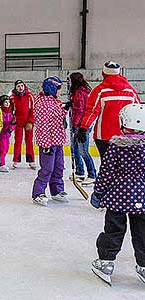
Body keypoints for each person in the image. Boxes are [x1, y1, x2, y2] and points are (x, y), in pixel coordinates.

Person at [89, 104, 145, 285]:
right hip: (142, 201)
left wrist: (98, 193)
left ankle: (106, 262)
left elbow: (106, 173)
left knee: (113, 231)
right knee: (142, 233)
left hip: (116, 200)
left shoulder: (116, 147)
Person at [76, 61, 141, 159]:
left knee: (107, 166)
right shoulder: (130, 91)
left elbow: (92, 111)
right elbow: (138, 110)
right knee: (124, 166)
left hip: (104, 136)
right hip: (126, 135)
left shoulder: (100, 91)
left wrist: (83, 128)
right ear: (119, 73)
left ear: (103, 73)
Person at [31, 77, 68, 206]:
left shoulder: (54, 102)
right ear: (51, 89)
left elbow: (57, 117)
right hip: (48, 143)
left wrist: (65, 109)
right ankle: (38, 193)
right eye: (58, 89)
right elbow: (42, 126)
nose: (60, 92)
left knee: (58, 167)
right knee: (47, 169)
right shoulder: (42, 104)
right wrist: (46, 145)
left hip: (58, 140)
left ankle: (56, 190)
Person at [68, 72, 96, 185]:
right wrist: (71, 103)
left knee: (83, 150)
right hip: (80, 124)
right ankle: (80, 172)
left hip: (81, 126)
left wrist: (77, 126)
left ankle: (92, 174)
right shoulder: (78, 91)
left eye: (70, 80)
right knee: (75, 149)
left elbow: (80, 111)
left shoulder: (80, 92)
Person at [10, 80, 36, 169]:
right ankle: (16, 160)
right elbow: (10, 109)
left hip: (28, 122)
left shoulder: (30, 96)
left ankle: (31, 160)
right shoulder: (12, 97)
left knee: (29, 141)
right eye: (18, 86)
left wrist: (31, 121)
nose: (20, 88)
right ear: (15, 88)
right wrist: (12, 119)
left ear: (24, 86)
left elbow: (34, 109)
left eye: (21, 85)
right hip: (18, 123)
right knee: (18, 141)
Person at [0, 95, 16, 173]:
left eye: (8, 102)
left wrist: (11, 128)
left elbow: (14, 122)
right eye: (5, 102)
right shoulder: (0, 112)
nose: (7, 103)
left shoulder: (10, 112)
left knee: (6, 149)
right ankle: (1, 164)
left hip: (7, 134)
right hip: (1, 133)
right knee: (2, 149)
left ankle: (0, 163)